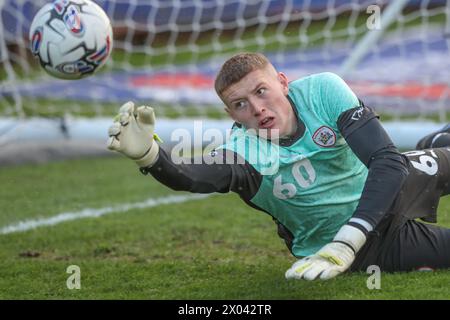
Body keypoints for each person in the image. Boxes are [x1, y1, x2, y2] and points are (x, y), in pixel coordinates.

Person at [107, 52, 450, 280]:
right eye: (240, 104)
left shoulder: (323, 91)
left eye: (262, 91)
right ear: (231, 116)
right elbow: (191, 176)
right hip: (364, 244)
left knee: (415, 160)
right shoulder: (244, 151)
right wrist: (150, 157)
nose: (256, 108)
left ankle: (434, 144)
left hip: (385, 189)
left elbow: (386, 162)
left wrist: (349, 236)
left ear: (283, 83)